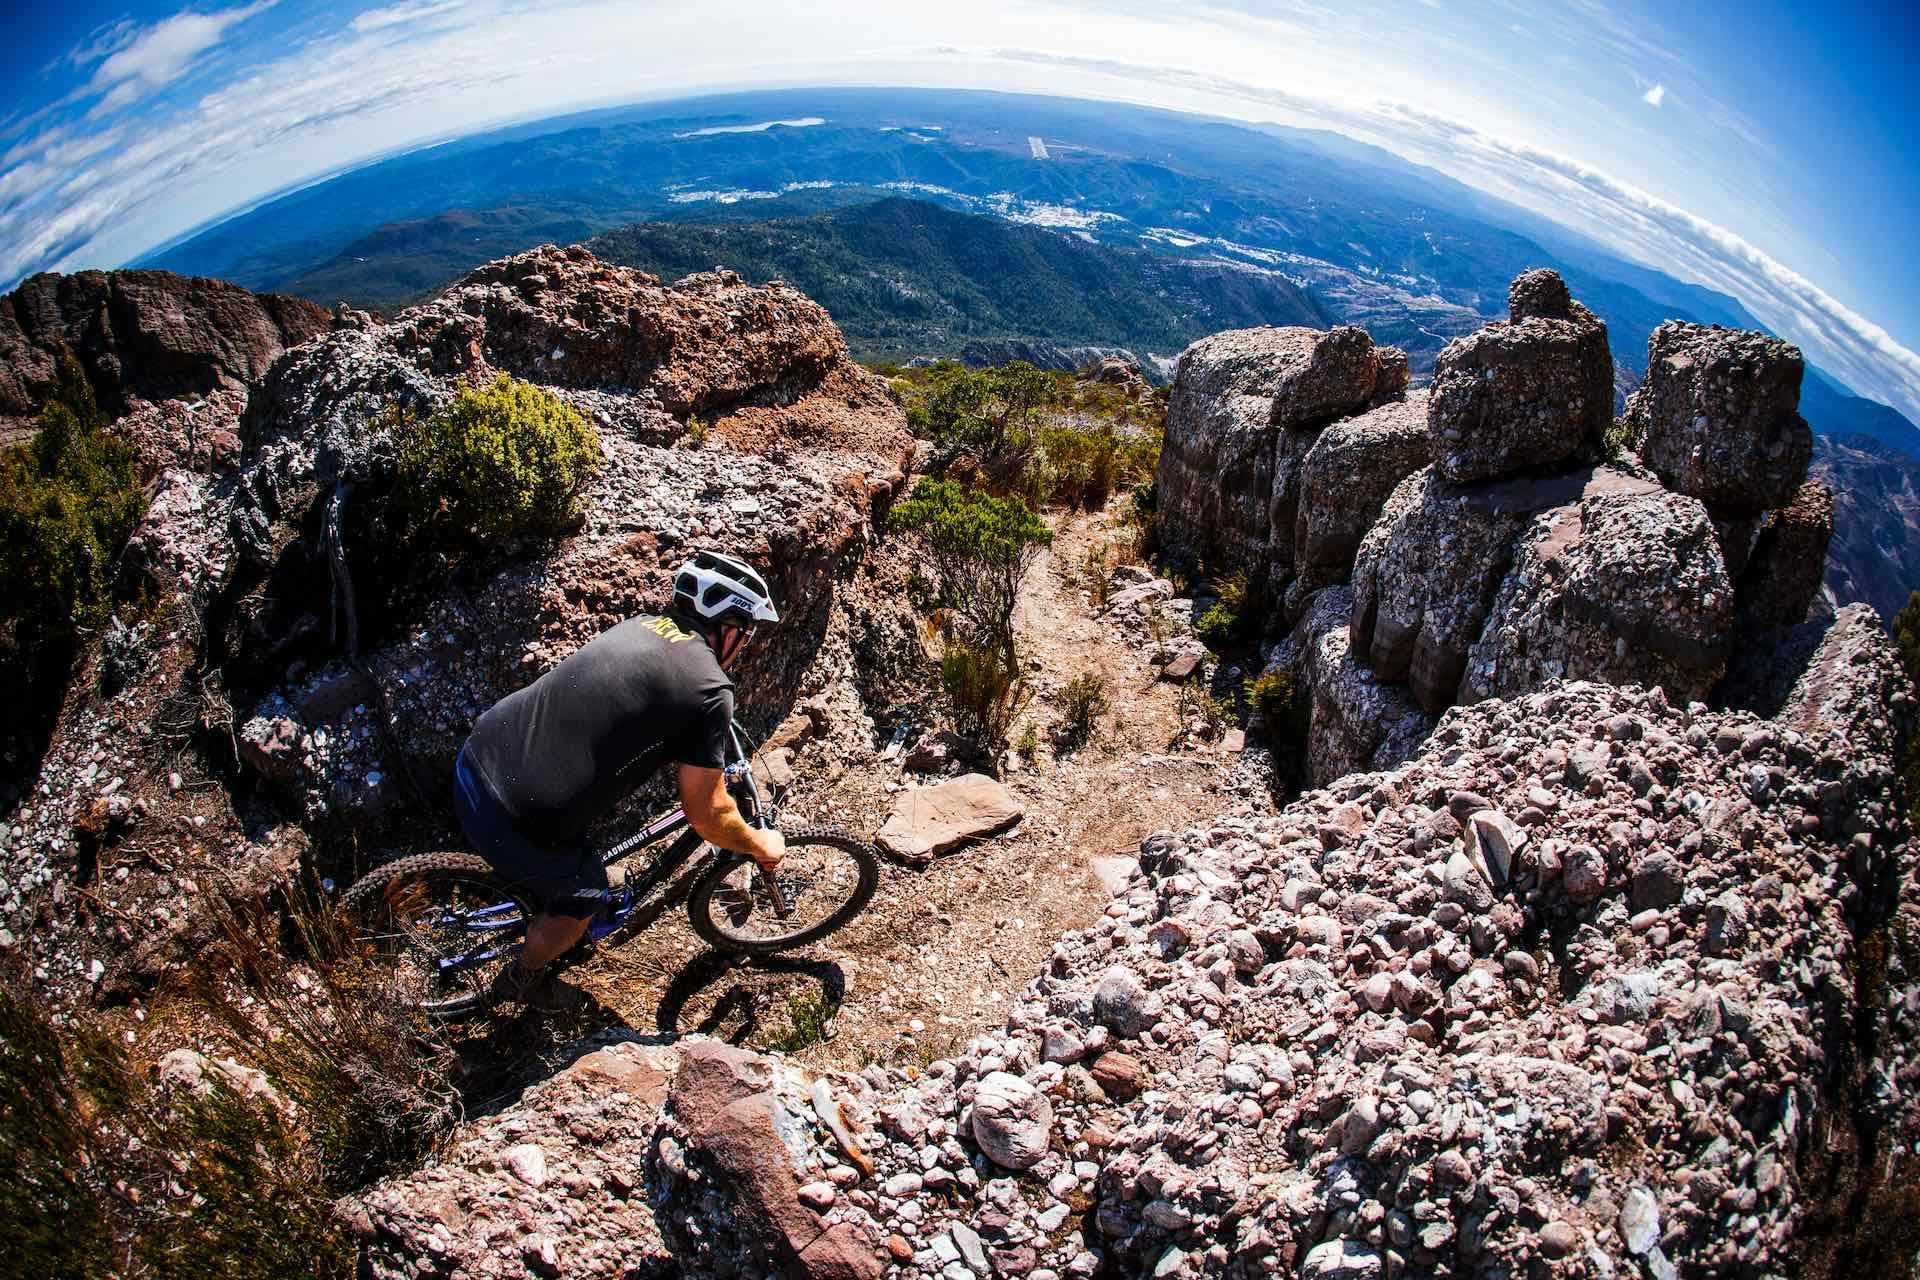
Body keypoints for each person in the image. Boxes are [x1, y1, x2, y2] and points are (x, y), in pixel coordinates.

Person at [452, 550, 786, 1005]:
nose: (744, 644)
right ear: (727, 626)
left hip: (478, 754)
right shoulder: (707, 689)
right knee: (582, 897)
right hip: (506, 815)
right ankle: (519, 979)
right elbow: (706, 813)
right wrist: (756, 843)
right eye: (745, 634)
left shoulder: (642, 626)